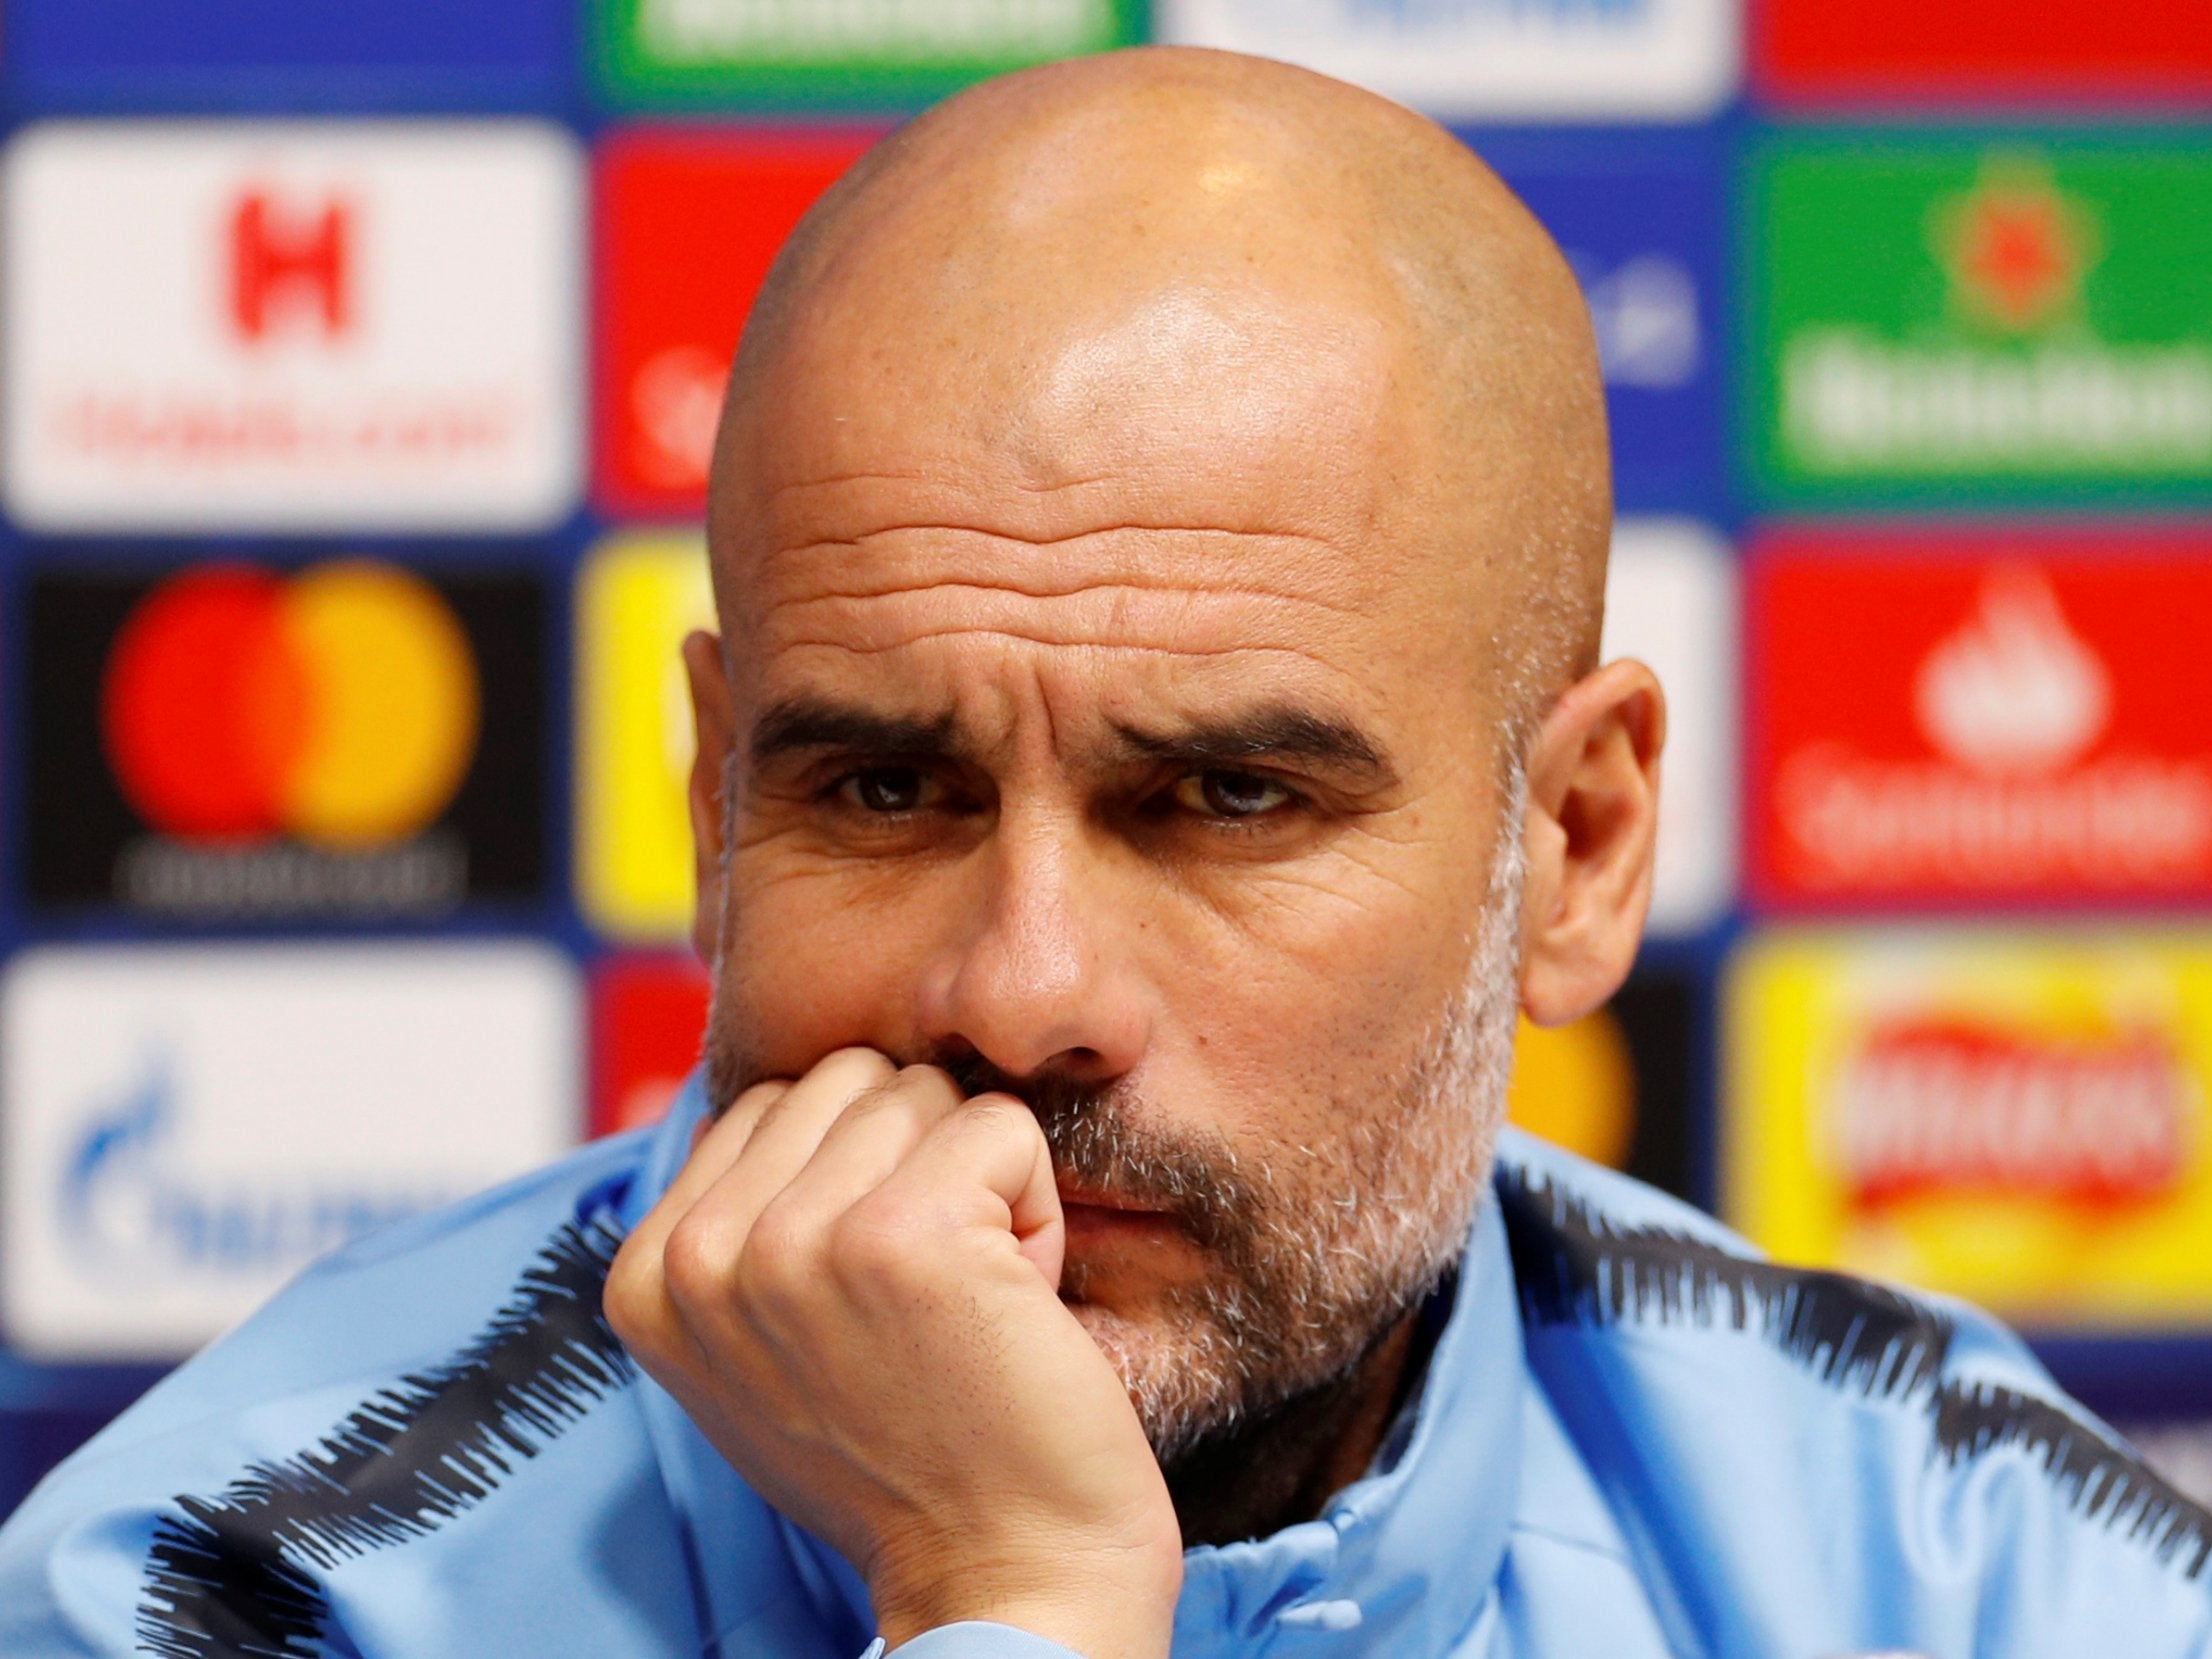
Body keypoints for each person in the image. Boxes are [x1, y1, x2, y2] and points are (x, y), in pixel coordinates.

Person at [3, 45, 2207, 1659]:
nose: (1022, 984)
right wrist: (1009, 1603)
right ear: (709, 811)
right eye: (881, 787)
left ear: (1578, 843)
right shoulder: (234, 1596)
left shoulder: (1959, 1561)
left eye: (1227, 796)